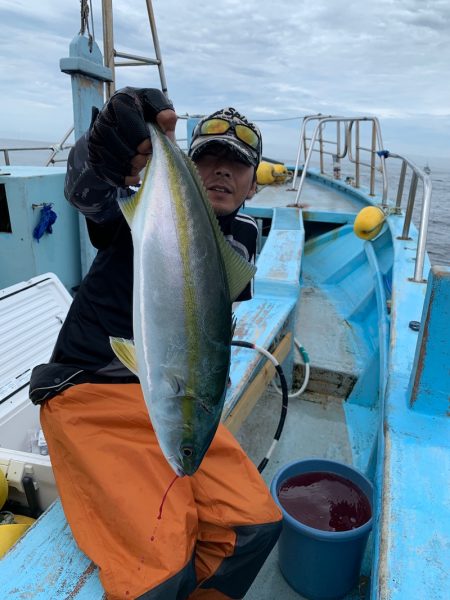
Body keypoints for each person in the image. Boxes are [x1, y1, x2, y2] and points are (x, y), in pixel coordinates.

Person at [29, 87, 282, 600]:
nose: (221, 173)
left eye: (236, 167)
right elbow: (88, 192)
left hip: (168, 393)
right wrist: (106, 150)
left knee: (257, 525)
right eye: (209, 159)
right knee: (159, 568)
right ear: (188, 162)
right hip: (92, 389)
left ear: (254, 185)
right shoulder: (143, 212)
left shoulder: (246, 236)